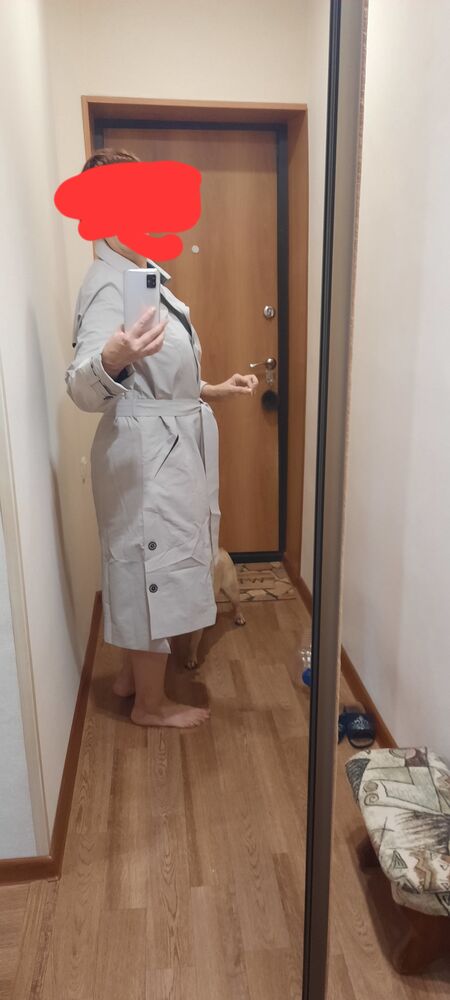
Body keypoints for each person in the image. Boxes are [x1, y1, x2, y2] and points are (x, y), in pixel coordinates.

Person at [65, 148, 258, 729]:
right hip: (146, 455)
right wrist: (111, 357)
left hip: (162, 442)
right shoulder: (107, 286)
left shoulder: (140, 276)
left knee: (146, 561)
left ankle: (132, 678)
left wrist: (212, 389)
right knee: (152, 565)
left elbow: (156, 374)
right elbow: (81, 388)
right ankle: (150, 705)